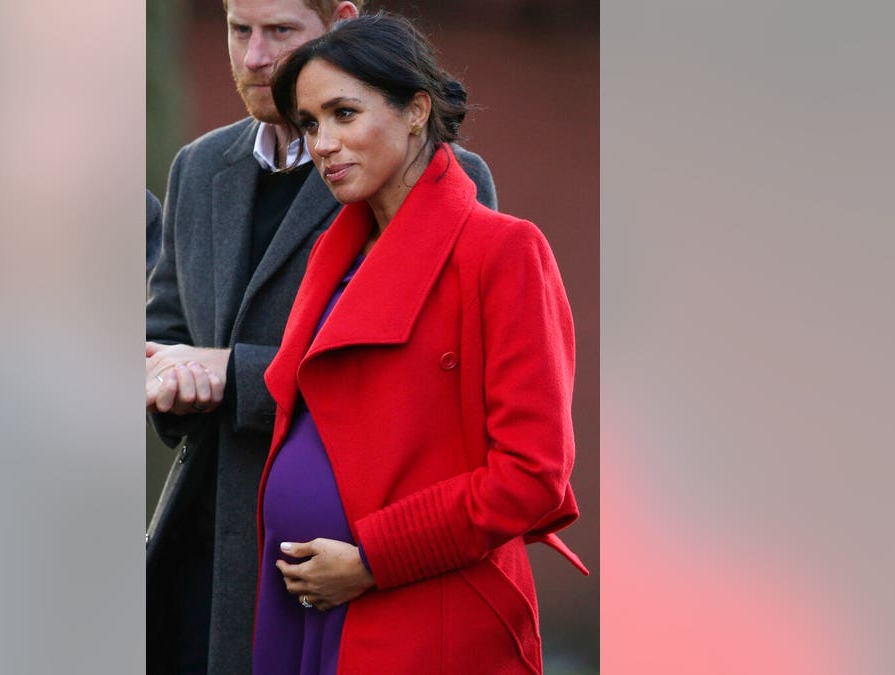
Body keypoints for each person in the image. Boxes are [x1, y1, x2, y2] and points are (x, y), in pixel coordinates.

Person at [144, 1, 498, 672]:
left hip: (336, 569)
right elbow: (166, 332)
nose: (253, 57)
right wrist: (169, 380)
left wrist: (232, 373)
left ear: (339, 21)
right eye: (238, 30)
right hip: (195, 570)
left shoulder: (434, 178)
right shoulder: (196, 167)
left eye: (280, 31)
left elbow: (415, 385)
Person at [254, 13, 588, 673]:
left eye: (344, 113)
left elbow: (532, 475)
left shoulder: (503, 250)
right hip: (303, 605)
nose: (323, 143)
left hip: (419, 608)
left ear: (415, 111)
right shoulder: (333, 252)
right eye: (311, 123)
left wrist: (374, 559)